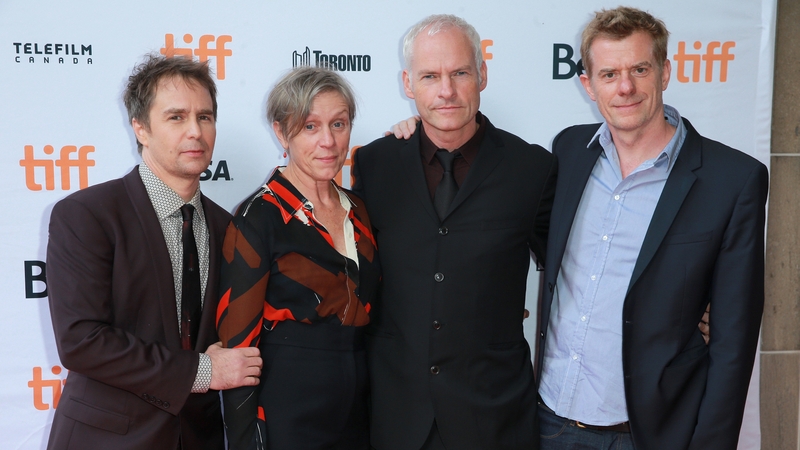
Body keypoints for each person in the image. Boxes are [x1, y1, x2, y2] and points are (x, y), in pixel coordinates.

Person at [536, 7, 767, 449]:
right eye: (609, 74)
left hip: (651, 433)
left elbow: (733, 346)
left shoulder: (732, 180)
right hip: (549, 423)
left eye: (639, 69)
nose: (625, 87)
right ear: (588, 84)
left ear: (665, 72)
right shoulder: (569, 151)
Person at [352, 14, 557, 450]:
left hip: (494, 416)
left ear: (482, 75)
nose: (446, 91)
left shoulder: (533, 169)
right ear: (409, 84)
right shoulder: (374, 164)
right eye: (430, 76)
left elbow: (577, 267)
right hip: (395, 417)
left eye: (460, 73)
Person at [46, 55, 262, 450]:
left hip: (199, 438)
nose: (195, 132)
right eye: (176, 117)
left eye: (206, 117)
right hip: (106, 438)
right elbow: (82, 341)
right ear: (141, 128)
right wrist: (202, 371)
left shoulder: (226, 227)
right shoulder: (86, 215)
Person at [216, 66, 380, 450]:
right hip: (289, 414)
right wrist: (246, 441)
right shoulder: (258, 218)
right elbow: (236, 349)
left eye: (339, 124)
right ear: (281, 131)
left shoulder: (360, 209)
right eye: (310, 126)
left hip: (362, 413)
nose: (328, 141)